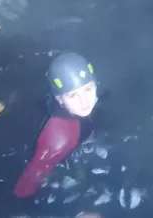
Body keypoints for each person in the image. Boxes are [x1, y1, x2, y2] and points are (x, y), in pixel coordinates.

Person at [14, 53, 102, 198]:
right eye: (73, 95)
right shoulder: (60, 138)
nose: (85, 101)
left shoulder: (92, 98)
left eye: (88, 89)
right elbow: (24, 188)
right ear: (60, 99)